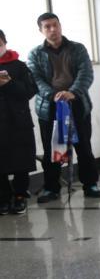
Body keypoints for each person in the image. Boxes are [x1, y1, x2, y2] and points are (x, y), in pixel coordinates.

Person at [28, 13, 100, 202]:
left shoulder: (77, 49)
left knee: (84, 147)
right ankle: (51, 188)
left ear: (60, 25)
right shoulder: (35, 54)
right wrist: (54, 95)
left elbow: (86, 73)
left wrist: (72, 92)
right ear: (41, 30)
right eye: (47, 27)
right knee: (52, 150)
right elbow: (35, 80)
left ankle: (90, 184)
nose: (52, 30)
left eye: (55, 25)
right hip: (49, 108)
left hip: (77, 104)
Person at [0, 29, 38, 215]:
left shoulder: (19, 66)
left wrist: (8, 83)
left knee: (21, 161)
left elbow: (30, 90)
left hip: (19, 122)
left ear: (5, 43)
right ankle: (3, 198)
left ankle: (20, 196)